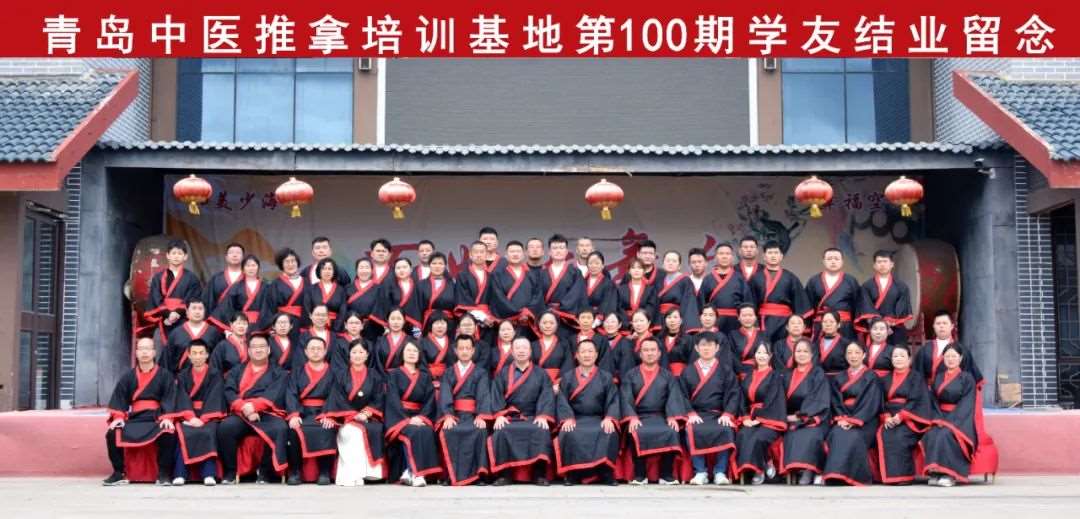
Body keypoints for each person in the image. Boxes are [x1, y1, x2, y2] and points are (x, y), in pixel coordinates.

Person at [102, 337, 181, 486]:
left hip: (156, 417)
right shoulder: (128, 377)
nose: (145, 352)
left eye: (148, 349)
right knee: (112, 433)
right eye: (141, 349)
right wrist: (118, 417)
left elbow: (170, 398)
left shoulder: (165, 375)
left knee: (168, 432)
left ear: (154, 352)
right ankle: (119, 473)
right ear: (136, 353)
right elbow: (120, 399)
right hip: (135, 418)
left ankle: (163, 474)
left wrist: (167, 417)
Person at [216, 335, 290, 484]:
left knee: (280, 428)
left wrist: (254, 406)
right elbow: (229, 391)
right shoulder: (236, 371)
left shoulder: (279, 372)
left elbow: (275, 393)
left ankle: (265, 472)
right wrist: (244, 407)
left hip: (267, 412)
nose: (258, 350)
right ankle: (231, 471)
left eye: (262, 346)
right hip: (242, 412)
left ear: (268, 350)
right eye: (254, 347)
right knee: (225, 428)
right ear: (248, 351)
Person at [489, 337, 557, 486]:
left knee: (541, 430)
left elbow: (547, 395)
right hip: (510, 417)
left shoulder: (541, 374)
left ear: (530, 351)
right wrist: (499, 415)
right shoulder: (503, 373)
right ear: (512, 352)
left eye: (524, 348)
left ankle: (539, 474)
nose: (521, 351)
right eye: (517, 348)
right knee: (501, 431)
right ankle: (505, 475)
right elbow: (496, 394)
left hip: (533, 416)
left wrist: (543, 415)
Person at [555, 339, 621, 486]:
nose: (587, 355)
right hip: (575, 419)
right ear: (577, 355)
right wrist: (567, 418)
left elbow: (613, 400)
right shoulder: (568, 377)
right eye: (583, 352)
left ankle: (605, 472)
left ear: (596, 355)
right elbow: (562, 400)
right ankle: (573, 473)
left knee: (609, 431)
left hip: (598, 419)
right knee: (568, 432)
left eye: (590, 351)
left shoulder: (606, 377)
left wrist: (609, 417)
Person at [620, 337, 685, 485]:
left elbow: (673, 396)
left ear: (659, 353)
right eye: (646, 350)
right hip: (639, 416)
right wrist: (632, 417)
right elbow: (625, 397)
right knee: (635, 430)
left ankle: (666, 474)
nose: (649, 353)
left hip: (662, 416)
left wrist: (672, 416)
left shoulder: (667, 375)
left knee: (672, 430)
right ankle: (640, 474)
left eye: (652, 350)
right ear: (640, 354)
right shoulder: (630, 375)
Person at [680, 332, 740, 486]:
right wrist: (690, 413)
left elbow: (734, 393)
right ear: (696, 348)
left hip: (718, 414)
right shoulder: (687, 371)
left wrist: (727, 414)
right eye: (703, 345)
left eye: (710, 345)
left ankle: (720, 471)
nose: (706, 348)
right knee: (692, 429)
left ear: (717, 348)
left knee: (726, 429)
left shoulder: (726, 370)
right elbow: (681, 395)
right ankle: (700, 472)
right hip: (697, 414)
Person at [323, 339, 385, 486]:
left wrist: (366, 413)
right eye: (354, 352)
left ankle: (366, 474)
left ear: (367, 355)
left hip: (368, 417)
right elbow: (336, 398)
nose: (357, 355)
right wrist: (352, 415)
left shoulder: (375, 375)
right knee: (351, 432)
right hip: (345, 417)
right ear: (349, 355)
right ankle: (349, 475)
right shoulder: (340, 375)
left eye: (361, 352)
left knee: (374, 430)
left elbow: (378, 398)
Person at [822, 342, 883, 486]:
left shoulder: (871, 376)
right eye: (849, 353)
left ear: (864, 355)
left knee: (854, 436)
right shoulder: (839, 377)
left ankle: (852, 476)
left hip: (865, 420)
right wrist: (842, 418)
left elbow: (871, 403)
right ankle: (834, 474)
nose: (853, 356)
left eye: (857, 352)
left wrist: (854, 420)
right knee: (837, 434)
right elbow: (836, 401)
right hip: (843, 418)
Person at [437, 336, 493, 486]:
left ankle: (479, 475)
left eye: (468, 348)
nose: (464, 351)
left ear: (473, 350)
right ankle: (450, 474)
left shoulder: (481, 372)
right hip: (455, 415)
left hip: (473, 415)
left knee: (480, 431)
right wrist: (448, 415)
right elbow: (445, 394)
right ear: (455, 351)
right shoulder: (448, 373)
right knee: (448, 431)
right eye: (461, 348)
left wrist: (481, 415)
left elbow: (483, 394)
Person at [384, 341, 440, 487]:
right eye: (408, 350)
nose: (411, 353)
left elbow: (429, 400)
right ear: (402, 354)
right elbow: (392, 400)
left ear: (419, 355)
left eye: (415, 351)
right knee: (413, 431)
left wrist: (421, 417)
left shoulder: (425, 376)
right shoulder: (393, 374)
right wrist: (407, 420)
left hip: (420, 416)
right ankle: (416, 474)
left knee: (426, 430)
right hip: (400, 417)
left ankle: (410, 472)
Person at [922, 345, 979, 487]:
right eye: (947, 356)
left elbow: (967, 404)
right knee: (931, 433)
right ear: (943, 358)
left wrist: (949, 422)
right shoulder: (938, 377)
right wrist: (937, 418)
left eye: (954, 356)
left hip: (960, 420)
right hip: (940, 416)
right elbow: (933, 401)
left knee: (945, 434)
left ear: (960, 358)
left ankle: (950, 474)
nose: (950, 359)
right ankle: (935, 472)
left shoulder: (967, 378)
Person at [284, 337, 338, 485]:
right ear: (306, 352)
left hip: (324, 411)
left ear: (325, 351)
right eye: (312, 349)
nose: (315, 352)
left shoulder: (334, 372)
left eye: (319, 349)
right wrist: (294, 414)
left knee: (327, 427)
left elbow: (335, 395)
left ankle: (324, 472)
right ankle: (295, 472)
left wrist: (329, 415)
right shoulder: (297, 372)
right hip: (303, 411)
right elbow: (291, 393)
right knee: (293, 430)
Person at [877, 345, 934, 485]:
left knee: (900, 436)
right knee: (886, 433)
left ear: (909, 359)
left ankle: (904, 476)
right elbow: (881, 400)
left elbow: (917, 400)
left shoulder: (916, 378)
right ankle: (891, 477)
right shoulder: (885, 379)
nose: (898, 359)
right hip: (890, 416)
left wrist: (901, 416)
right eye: (895, 356)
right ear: (891, 360)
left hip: (911, 417)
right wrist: (886, 416)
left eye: (902, 356)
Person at [172, 339, 226, 486]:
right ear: (189, 355)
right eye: (194, 353)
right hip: (188, 414)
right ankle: (180, 474)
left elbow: (216, 396)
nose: (198, 356)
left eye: (201, 353)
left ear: (207, 355)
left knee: (208, 432)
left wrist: (203, 418)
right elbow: (181, 397)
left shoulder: (215, 374)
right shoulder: (182, 376)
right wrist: (190, 417)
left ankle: (209, 474)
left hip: (209, 414)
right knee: (182, 433)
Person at [733, 342, 787, 485]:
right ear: (754, 355)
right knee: (743, 435)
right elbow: (742, 399)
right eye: (758, 353)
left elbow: (774, 399)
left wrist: (760, 418)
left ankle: (760, 469)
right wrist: (745, 417)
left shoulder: (775, 376)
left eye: (765, 353)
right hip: (750, 417)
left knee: (758, 437)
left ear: (770, 356)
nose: (761, 356)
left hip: (770, 419)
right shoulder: (748, 376)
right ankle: (763, 464)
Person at [781, 339, 832, 486]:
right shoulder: (787, 374)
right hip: (789, 417)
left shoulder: (817, 373)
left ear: (811, 355)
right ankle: (795, 469)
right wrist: (784, 416)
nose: (801, 354)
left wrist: (800, 416)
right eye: (798, 351)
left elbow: (819, 399)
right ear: (793, 354)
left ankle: (809, 470)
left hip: (814, 416)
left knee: (810, 434)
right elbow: (779, 398)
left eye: (805, 351)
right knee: (791, 433)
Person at [749, 241, 811, 342]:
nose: (773, 256)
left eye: (776, 253)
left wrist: (797, 323)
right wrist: (754, 323)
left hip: (785, 321)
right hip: (763, 320)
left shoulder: (790, 277)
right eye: (770, 253)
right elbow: (751, 303)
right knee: (764, 347)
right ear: (764, 256)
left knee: (783, 346)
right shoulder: (756, 277)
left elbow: (800, 302)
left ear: (781, 256)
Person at [805, 248, 872, 339]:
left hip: (845, 325)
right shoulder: (814, 281)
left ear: (842, 261)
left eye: (836, 259)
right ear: (823, 261)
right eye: (829, 259)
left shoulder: (850, 281)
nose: (833, 261)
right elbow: (807, 305)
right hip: (822, 324)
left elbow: (858, 303)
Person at [145, 239, 203, 343]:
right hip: (163, 320)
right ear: (167, 255)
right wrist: (168, 314)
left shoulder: (192, 278)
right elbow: (156, 298)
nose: (176, 256)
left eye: (180, 253)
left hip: (184, 322)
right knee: (161, 349)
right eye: (173, 253)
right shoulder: (158, 277)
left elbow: (192, 299)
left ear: (185, 256)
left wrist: (176, 313)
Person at [914, 311, 984, 385]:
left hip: (955, 390)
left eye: (945, 323)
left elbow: (970, 378)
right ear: (934, 326)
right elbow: (917, 376)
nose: (941, 326)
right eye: (938, 323)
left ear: (952, 326)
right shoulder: (924, 350)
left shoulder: (963, 350)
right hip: (929, 390)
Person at [861, 250, 913, 345]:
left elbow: (902, 307)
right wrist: (879, 323)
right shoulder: (866, 286)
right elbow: (865, 306)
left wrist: (890, 321)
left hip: (895, 327)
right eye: (879, 262)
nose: (882, 264)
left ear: (892, 264)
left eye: (885, 261)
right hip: (875, 328)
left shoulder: (901, 286)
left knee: (897, 352)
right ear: (874, 265)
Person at [211, 254, 273, 332]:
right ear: (243, 268)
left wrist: (264, 325)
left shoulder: (266, 287)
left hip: (260, 325)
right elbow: (227, 306)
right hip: (240, 325)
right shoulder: (236, 286)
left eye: (253, 265)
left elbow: (268, 307)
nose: (251, 268)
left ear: (258, 268)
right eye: (248, 266)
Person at [490, 241, 543, 328]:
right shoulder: (497, 275)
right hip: (507, 321)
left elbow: (537, 296)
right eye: (512, 251)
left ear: (524, 254)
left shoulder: (532, 275)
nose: (515, 254)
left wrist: (527, 312)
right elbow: (498, 297)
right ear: (506, 255)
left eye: (518, 251)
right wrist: (517, 314)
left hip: (527, 321)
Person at [698, 243, 749, 334]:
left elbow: (747, 302)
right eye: (721, 253)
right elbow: (701, 303)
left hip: (735, 322)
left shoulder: (739, 278)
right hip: (714, 321)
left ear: (732, 257)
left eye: (727, 254)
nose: (724, 256)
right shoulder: (708, 279)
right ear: (715, 257)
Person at [537, 234, 587, 326]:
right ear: (549, 252)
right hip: (547, 318)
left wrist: (560, 309)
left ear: (566, 251)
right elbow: (538, 297)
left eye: (561, 248)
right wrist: (546, 312)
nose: (558, 251)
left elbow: (577, 295)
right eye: (555, 248)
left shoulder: (575, 272)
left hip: (567, 318)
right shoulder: (541, 273)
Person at [162, 299, 221, 374]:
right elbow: (166, 360)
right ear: (187, 312)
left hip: (207, 377)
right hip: (180, 377)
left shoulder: (213, 332)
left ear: (204, 312)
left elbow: (218, 359)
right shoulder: (176, 333)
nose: (197, 312)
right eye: (194, 308)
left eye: (200, 309)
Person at [654, 251, 702, 331]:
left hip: (676, 319)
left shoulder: (685, 280)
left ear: (679, 266)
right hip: (660, 319)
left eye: (674, 261)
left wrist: (681, 321)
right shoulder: (659, 280)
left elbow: (689, 304)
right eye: (668, 260)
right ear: (663, 264)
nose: (670, 263)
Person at [455, 241, 495, 328]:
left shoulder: (492, 276)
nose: (479, 255)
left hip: (489, 318)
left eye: (482, 252)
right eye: (476, 252)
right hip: (469, 319)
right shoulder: (462, 275)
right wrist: (482, 317)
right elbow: (463, 299)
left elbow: (495, 299)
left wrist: (490, 317)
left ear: (486, 255)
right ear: (470, 254)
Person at [372, 309, 423, 376]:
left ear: (404, 321)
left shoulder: (411, 341)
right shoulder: (380, 340)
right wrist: (384, 377)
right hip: (383, 377)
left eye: (399, 319)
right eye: (393, 319)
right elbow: (377, 363)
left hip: (404, 377)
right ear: (388, 320)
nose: (396, 322)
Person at [532, 311, 575, 390]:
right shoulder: (533, 345)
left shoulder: (564, 344)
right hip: (536, 383)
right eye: (544, 323)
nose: (548, 326)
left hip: (559, 384)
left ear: (557, 325)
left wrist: (558, 382)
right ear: (539, 324)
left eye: (551, 323)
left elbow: (568, 364)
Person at [380, 257, 423, 333]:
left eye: (404, 267)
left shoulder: (419, 285)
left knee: (416, 339)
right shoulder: (388, 285)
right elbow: (385, 305)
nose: (401, 270)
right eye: (398, 268)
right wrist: (386, 325)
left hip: (414, 322)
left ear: (411, 269)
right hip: (395, 322)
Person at [302, 258, 347, 331]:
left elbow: (343, 312)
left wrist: (336, 328)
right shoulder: (311, 289)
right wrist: (314, 326)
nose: (327, 271)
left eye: (330, 269)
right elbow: (306, 310)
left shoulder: (341, 290)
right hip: (315, 327)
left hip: (335, 327)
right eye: (324, 269)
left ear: (334, 271)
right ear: (319, 271)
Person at [417, 252, 458, 332]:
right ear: (429, 265)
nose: (437, 266)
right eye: (434, 263)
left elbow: (457, 307)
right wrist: (417, 328)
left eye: (440, 263)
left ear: (445, 266)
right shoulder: (421, 285)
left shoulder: (453, 285)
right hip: (428, 322)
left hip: (448, 324)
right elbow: (416, 308)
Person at [345, 258, 384, 342]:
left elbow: (380, 309)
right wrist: (354, 322)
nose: (364, 270)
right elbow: (344, 308)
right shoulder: (348, 288)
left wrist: (367, 323)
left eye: (367, 267)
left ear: (372, 270)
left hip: (372, 328)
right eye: (361, 267)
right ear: (356, 270)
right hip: (352, 327)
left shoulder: (379, 288)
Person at [267, 248, 306, 329]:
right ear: (281, 265)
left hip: (304, 324)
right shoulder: (275, 284)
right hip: (283, 325)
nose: (290, 264)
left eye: (293, 261)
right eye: (287, 262)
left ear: (297, 262)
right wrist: (272, 327)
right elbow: (270, 309)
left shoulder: (307, 282)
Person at [204, 243, 245, 320]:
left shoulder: (248, 279)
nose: (235, 255)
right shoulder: (216, 278)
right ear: (226, 257)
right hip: (218, 320)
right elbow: (208, 302)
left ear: (243, 257)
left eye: (238, 253)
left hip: (242, 321)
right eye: (231, 252)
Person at [728, 304, 770, 379]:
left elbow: (768, 354)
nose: (747, 318)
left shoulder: (764, 334)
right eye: (744, 315)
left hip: (760, 372)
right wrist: (742, 371)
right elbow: (731, 355)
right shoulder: (732, 334)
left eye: (750, 315)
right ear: (738, 318)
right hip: (740, 373)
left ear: (755, 317)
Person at [616, 259, 658, 325]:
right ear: (629, 271)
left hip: (643, 324)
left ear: (644, 271)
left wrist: (640, 321)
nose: (636, 270)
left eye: (639, 268)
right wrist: (627, 322)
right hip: (625, 323)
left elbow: (651, 307)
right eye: (633, 268)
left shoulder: (651, 290)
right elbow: (619, 307)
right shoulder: (620, 289)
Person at [421, 311, 455, 390]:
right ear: (431, 325)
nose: (440, 326)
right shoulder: (422, 342)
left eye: (443, 323)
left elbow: (454, 364)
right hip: (427, 380)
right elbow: (421, 363)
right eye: (436, 323)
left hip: (448, 381)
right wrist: (430, 374)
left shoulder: (453, 343)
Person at [583, 251, 618, 324]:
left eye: (597, 263)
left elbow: (607, 302)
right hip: (582, 318)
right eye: (591, 263)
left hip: (599, 320)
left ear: (602, 265)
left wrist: (599, 318)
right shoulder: (582, 281)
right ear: (587, 265)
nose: (593, 266)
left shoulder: (609, 283)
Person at [815, 311, 852, 377]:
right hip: (820, 380)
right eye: (825, 322)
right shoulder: (816, 344)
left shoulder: (846, 344)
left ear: (839, 324)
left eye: (831, 322)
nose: (828, 324)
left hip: (840, 380)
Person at [658, 308, 692, 376]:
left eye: (675, 317)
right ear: (665, 320)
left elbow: (691, 360)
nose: (672, 320)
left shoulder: (688, 339)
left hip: (680, 375)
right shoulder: (659, 338)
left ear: (681, 321)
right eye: (669, 317)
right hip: (661, 375)